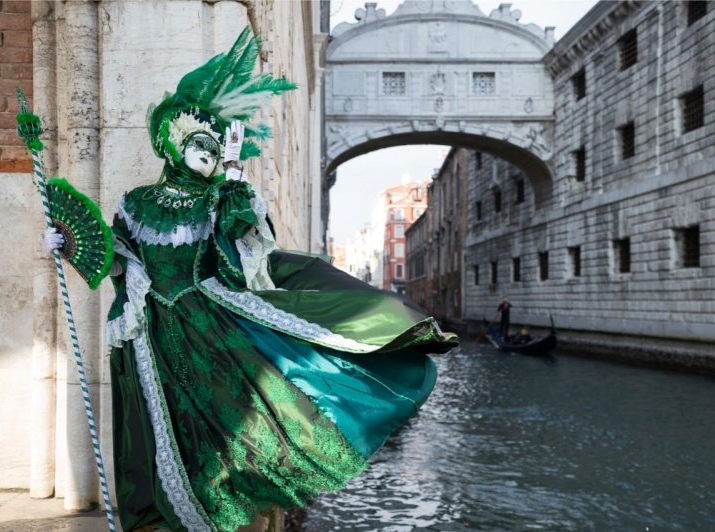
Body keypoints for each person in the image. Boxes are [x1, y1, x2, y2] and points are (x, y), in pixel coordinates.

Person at [42, 28, 456, 532]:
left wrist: (235, 178)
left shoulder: (223, 198)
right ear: (170, 144)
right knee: (164, 430)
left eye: (215, 144)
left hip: (212, 325)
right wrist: (67, 245)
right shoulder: (134, 203)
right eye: (198, 142)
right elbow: (117, 259)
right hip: (151, 335)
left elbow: (242, 252)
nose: (209, 150)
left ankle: (237, 509)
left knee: (237, 429)